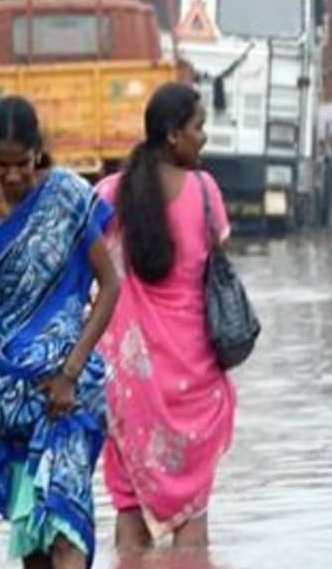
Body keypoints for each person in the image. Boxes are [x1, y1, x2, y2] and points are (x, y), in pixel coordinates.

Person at [0, 96, 120, 569]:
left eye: (22, 163)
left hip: (69, 392)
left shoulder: (67, 196)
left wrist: (69, 372)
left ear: (37, 151)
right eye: (1, 166)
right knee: (35, 545)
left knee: (65, 524)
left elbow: (110, 286)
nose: (13, 177)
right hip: (8, 394)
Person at [95, 82, 237, 556]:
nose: (205, 138)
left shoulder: (110, 195)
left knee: (129, 509)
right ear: (174, 135)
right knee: (192, 516)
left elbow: (79, 253)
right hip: (194, 381)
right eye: (199, 128)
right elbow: (218, 262)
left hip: (130, 387)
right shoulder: (204, 192)